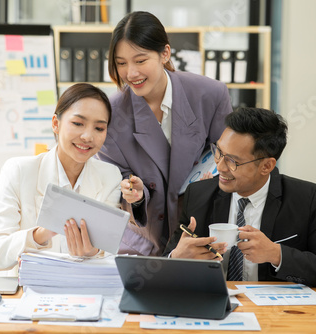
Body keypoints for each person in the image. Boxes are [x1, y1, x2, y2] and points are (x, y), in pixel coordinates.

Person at [164, 107, 316, 293]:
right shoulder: (198, 194)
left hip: (278, 314)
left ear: (266, 166)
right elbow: (160, 268)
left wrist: (277, 254)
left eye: (232, 161)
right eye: (218, 152)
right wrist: (175, 258)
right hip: (212, 306)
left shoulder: (306, 199)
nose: (220, 166)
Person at [97, 11, 232, 256]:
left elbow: (228, 158)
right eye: (121, 63)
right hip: (144, 240)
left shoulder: (210, 95)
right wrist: (135, 192)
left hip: (198, 232)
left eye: (140, 60)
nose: (131, 73)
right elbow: (117, 183)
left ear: (165, 54)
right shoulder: (110, 115)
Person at [0, 83, 122, 277]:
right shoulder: (19, 171)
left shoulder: (110, 177)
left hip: (82, 292)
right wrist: (39, 235)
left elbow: (110, 248)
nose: (88, 136)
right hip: (24, 294)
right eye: (78, 123)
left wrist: (93, 252)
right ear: (56, 124)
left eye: (99, 128)